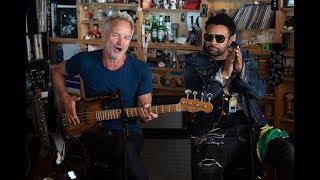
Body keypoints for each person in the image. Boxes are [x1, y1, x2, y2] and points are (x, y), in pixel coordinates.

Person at [183, 13, 294, 180]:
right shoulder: (194, 63)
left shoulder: (245, 57)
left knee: (287, 151)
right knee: (208, 171)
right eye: (209, 37)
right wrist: (222, 75)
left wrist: (242, 71)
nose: (213, 42)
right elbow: (197, 101)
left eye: (220, 38)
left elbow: (260, 91)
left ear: (231, 38)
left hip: (253, 128)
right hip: (216, 131)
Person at [52, 11, 158, 180]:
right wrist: (64, 97)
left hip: (128, 132)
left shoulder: (141, 69)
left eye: (127, 37)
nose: (121, 42)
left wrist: (147, 114)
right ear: (104, 35)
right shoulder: (84, 61)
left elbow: (145, 112)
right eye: (116, 35)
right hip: (92, 129)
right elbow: (57, 71)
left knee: (123, 151)